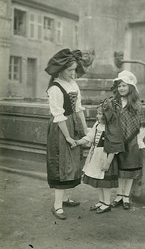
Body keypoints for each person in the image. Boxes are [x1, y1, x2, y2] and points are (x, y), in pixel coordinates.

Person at [45, 48, 88, 220]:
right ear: (60, 69)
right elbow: (58, 115)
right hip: (60, 128)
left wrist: (85, 131)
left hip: (73, 125)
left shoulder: (73, 84)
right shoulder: (55, 88)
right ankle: (57, 205)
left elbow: (78, 109)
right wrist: (68, 137)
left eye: (74, 69)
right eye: (70, 70)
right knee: (62, 164)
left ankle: (65, 198)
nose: (73, 73)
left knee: (72, 163)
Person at [103, 70, 145, 210]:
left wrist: (140, 140)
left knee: (129, 170)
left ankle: (126, 196)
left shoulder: (137, 104)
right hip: (117, 140)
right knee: (119, 170)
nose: (121, 88)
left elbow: (141, 124)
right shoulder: (113, 103)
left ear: (130, 87)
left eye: (124, 86)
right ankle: (119, 195)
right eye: (119, 86)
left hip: (132, 140)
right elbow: (107, 119)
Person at [76, 105, 124, 214]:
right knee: (98, 181)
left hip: (106, 158)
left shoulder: (112, 128)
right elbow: (89, 137)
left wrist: (107, 163)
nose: (97, 116)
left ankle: (107, 203)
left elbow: (113, 148)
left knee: (105, 182)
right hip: (96, 156)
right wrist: (77, 142)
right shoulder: (97, 125)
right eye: (97, 113)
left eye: (100, 114)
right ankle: (101, 201)